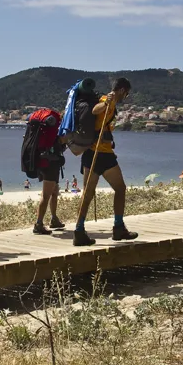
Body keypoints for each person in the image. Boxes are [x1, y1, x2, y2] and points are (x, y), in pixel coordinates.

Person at [73, 77, 138, 246]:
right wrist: (106, 102)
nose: (127, 96)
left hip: (91, 153)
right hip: (102, 154)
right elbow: (95, 110)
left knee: (88, 194)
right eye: (127, 93)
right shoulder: (107, 99)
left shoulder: (112, 102)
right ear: (122, 90)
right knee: (120, 189)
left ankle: (79, 231)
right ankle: (118, 228)